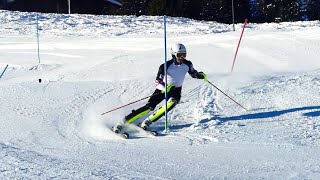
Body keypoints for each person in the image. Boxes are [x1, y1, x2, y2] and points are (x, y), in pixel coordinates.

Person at [112, 43, 207, 133]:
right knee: (149, 107)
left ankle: (147, 122)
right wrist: (164, 88)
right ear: (174, 54)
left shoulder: (187, 64)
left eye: (184, 55)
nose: (182, 57)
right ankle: (122, 123)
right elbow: (157, 82)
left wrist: (199, 75)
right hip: (163, 89)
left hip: (176, 90)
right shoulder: (165, 66)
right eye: (179, 55)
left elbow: (193, 73)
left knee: (171, 104)